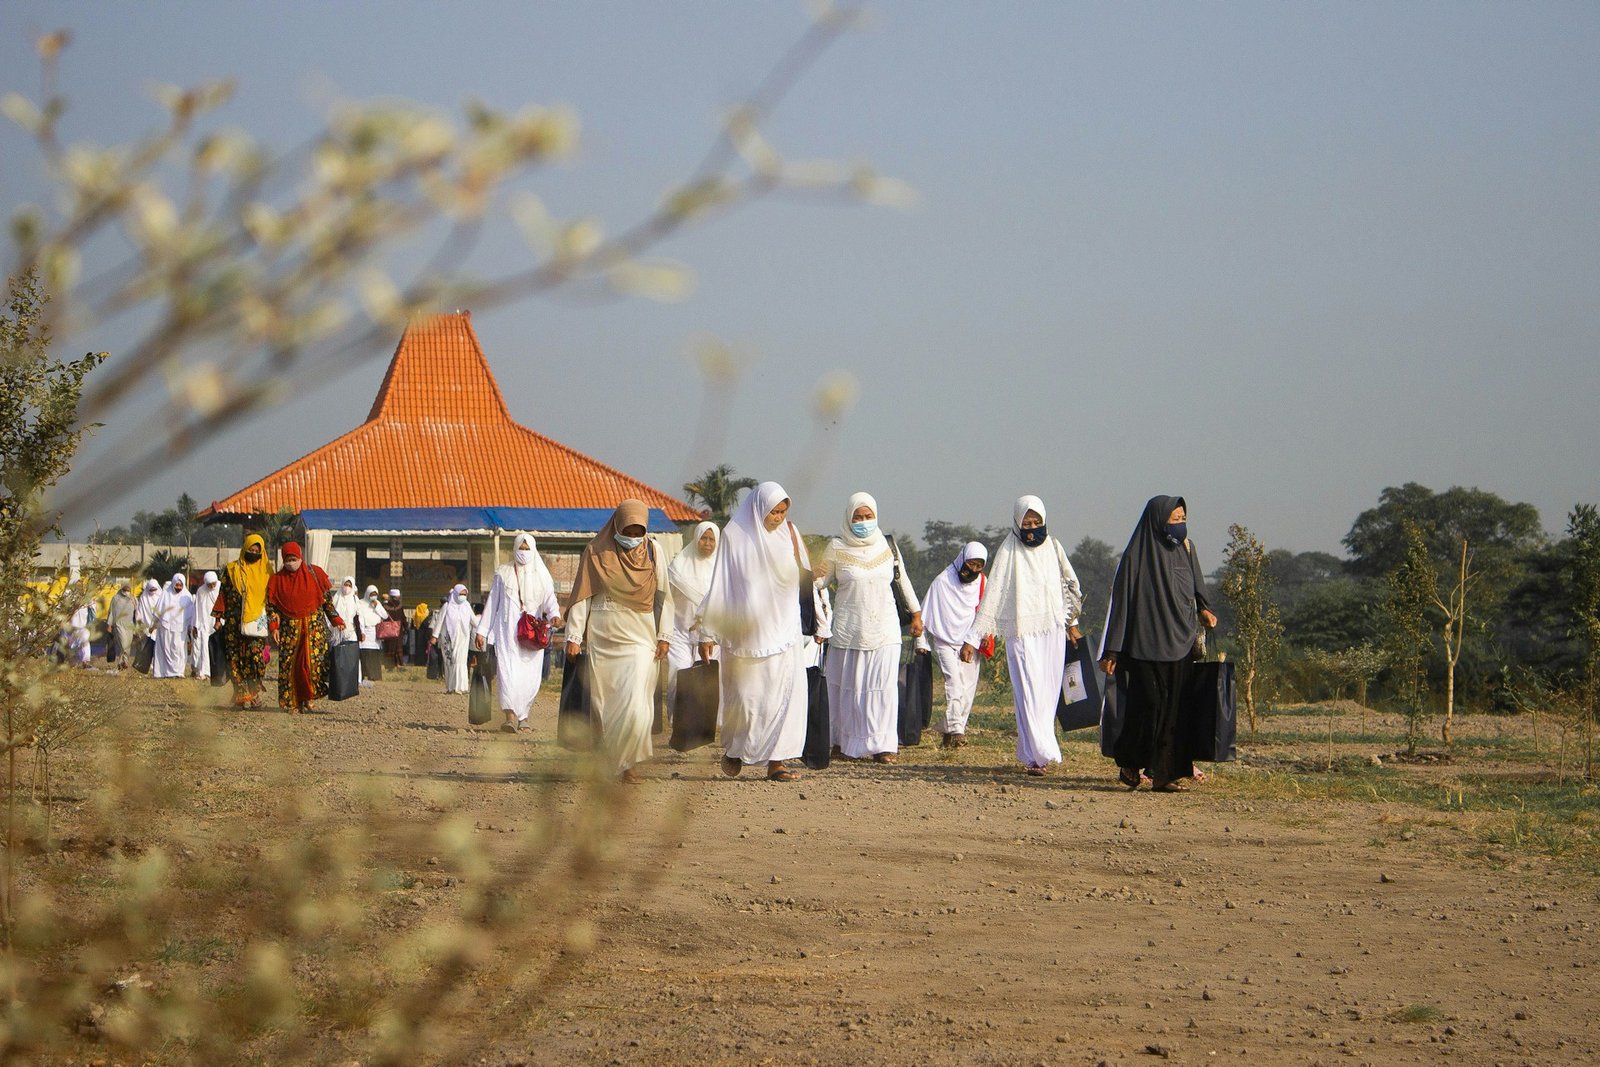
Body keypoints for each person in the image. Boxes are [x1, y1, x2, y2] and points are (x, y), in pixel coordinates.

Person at [1098, 495, 1216, 793]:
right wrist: (1112, 649)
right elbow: (1121, 605)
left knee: (1176, 710)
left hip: (1181, 640)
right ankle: (1130, 762)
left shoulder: (1187, 549)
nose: (1180, 525)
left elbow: (1197, 586)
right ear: (1158, 521)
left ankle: (1165, 774)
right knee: (1147, 706)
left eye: (1183, 519)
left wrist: (1204, 610)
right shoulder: (1135, 556)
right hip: (1145, 644)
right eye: (1174, 519)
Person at [697, 481, 809, 783]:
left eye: (783, 512)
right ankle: (737, 749)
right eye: (774, 512)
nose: (778, 518)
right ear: (759, 508)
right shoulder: (734, 537)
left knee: (782, 699)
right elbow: (721, 584)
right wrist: (707, 633)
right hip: (745, 636)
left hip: (785, 633)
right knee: (747, 699)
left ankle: (777, 762)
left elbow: (804, 578)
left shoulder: (790, 534)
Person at [966, 496, 1084, 777]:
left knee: (1047, 692)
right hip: (1021, 632)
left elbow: (1069, 585)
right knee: (1029, 690)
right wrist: (973, 637)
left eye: (1036, 523)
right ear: (1017, 524)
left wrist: (1072, 623)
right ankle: (1038, 754)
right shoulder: (1009, 550)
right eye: (1026, 524)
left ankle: (1034, 751)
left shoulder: (1054, 547)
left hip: (1052, 630)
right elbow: (993, 595)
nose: (1032, 529)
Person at [563, 503, 671, 781]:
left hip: (640, 638)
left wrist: (664, 635)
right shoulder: (595, 552)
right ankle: (615, 762)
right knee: (604, 705)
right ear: (617, 526)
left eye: (638, 532)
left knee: (635, 703)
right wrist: (574, 635)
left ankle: (628, 763)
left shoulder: (653, 551)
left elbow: (663, 596)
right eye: (627, 531)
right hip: (603, 638)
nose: (632, 537)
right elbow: (583, 596)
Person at [823, 492, 922, 764]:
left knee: (883, 689)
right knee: (848, 689)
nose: (864, 522)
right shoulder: (836, 547)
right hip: (848, 631)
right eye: (858, 517)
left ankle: (883, 746)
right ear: (848, 518)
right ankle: (843, 743)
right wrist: (809, 575)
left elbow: (902, 581)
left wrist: (916, 614)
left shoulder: (887, 545)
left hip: (885, 629)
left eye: (868, 516)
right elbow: (819, 583)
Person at [476, 535, 561, 729]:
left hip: (532, 635)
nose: (523, 552)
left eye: (527, 549)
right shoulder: (503, 573)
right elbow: (493, 603)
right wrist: (482, 631)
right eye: (520, 548)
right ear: (515, 549)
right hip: (507, 633)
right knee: (507, 673)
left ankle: (524, 716)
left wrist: (554, 615)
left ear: (533, 550)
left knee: (529, 677)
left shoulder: (542, 575)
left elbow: (550, 601)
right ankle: (510, 717)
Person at [916, 542, 992, 748]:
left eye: (978, 566)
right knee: (954, 683)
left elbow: (985, 614)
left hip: (971, 640)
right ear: (962, 560)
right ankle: (958, 730)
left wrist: (972, 641)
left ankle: (948, 730)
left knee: (967, 691)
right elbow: (925, 613)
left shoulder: (983, 582)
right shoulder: (943, 581)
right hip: (944, 640)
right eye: (970, 564)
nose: (973, 570)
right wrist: (921, 642)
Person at [266, 542, 337, 714]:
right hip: (290, 632)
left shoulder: (315, 574)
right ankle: (292, 702)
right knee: (290, 667)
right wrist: (274, 627)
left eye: (294, 559)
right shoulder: (277, 580)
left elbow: (327, 601)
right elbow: (271, 607)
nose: (291, 563)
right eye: (288, 560)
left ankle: (309, 698)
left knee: (312, 665)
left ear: (300, 557)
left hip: (314, 630)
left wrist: (336, 619)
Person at [664, 521, 719, 717]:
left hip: (710, 635)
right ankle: (677, 720)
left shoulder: (720, 570)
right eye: (703, 538)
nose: (707, 543)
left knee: (704, 680)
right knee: (679, 674)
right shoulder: (678, 567)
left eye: (712, 539)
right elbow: (666, 600)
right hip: (679, 632)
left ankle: (699, 723)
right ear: (696, 539)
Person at [214, 534, 273, 707]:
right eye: (250, 550)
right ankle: (240, 694)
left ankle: (254, 693)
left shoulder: (268, 572)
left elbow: (272, 599)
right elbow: (222, 593)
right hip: (233, 622)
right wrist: (218, 618)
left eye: (256, 551)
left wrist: (274, 622)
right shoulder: (232, 569)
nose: (253, 553)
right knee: (234, 658)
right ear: (244, 549)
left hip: (257, 622)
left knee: (256, 658)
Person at [151, 573, 194, 678]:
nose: (178, 588)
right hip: (166, 627)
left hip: (181, 628)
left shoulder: (187, 597)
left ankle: (178, 672)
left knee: (178, 649)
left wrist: (191, 628)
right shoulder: (165, 594)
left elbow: (191, 615)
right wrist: (153, 625)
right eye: (177, 585)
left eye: (180, 585)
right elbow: (158, 611)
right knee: (166, 649)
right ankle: (164, 672)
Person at [436, 584, 476, 694]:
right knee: (450, 662)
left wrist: (483, 630)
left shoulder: (467, 606)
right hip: (448, 639)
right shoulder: (447, 606)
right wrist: (435, 636)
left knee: (461, 661)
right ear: (455, 594)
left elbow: (474, 621)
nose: (462, 596)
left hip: (463, 639)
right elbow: (439, 622)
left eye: (464, 594)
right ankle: (451, 687)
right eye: (460, 594)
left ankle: (461, 687)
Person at [190, 571, 221, 680]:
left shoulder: (221, 587)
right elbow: (197, 609)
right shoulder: (201, 591)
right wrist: (195, 625)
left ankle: (219, 672)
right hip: (204, 623)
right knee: (205, 647)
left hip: (218, 622)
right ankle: (206, 671)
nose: (212, 586)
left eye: (213, 584)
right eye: (209, 585)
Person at [356, 585, 386, 683]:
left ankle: (374, 676)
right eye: (372, 594)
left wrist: (377, 606)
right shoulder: (361, 603)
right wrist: (362, 632)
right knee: (366, 655)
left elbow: (385, 615)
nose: (373, 596)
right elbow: (360, 619)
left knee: (374, 655)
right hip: (366, 631)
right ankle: (366, 675)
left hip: (375, 634)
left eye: (375, 594)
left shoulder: (377, 603)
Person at [107, 580, 137, 668]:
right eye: (126, 588)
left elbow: (137, 613)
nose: (127, 590)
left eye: (128, 588)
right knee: (123, 644)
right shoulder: (116, 598)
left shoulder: (133, 599)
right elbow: (111, 612)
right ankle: (122, 662)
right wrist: (109, 625)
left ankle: (123, 663)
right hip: (119, 624)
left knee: (127, 646)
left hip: (129, 625)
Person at [382, 589, 408, 668]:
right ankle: (399, 663)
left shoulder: (385, 607)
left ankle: (389, 663)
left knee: (390, 646)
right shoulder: (400, 606)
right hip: (398, 630)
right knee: (398, 646)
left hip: (388, 630)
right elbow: (403, 618)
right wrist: (406, 627)